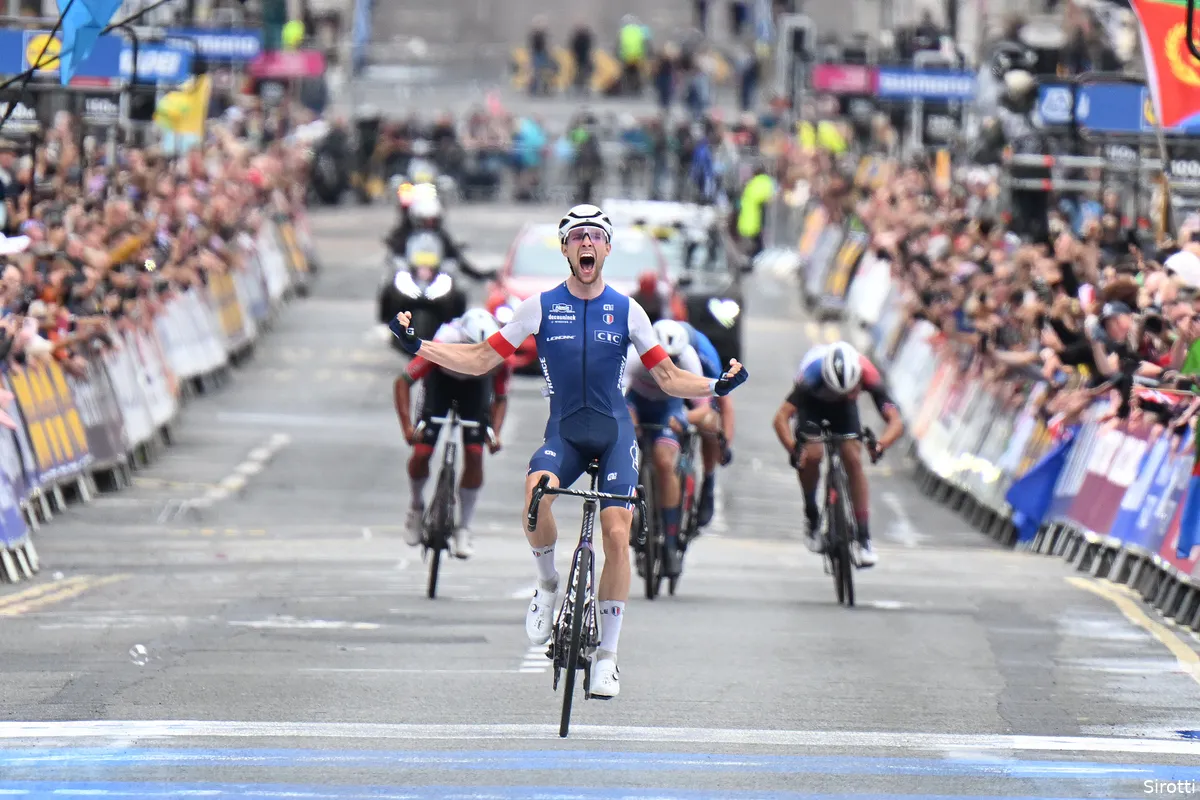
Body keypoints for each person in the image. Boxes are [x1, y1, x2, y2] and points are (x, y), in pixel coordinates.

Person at [389, 203, 749, 699]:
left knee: (618, 534)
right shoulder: (537, 307)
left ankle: (608, 658)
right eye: (576, 236)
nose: (586, 244)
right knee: (536, 492)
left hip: (615, 432)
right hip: (565, 434)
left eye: (595, 237)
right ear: (565, 248)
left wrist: (716, 383)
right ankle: (546, 583)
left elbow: (667, 376)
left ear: (606, 249)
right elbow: (478, 358)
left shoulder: (628, 310)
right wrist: (420, 345)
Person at [770, 341, 903, 567]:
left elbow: (896, 421)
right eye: (834, 390)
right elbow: (780, 419)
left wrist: (880, 445)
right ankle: (811, 515)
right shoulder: (811, 376)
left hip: (845, 410)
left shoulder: (867, 373)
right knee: (812, 455)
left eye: (847, 390)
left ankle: (864, 538)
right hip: (812, 404)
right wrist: (794, 450)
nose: (837, 394)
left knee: (853, 457)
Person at [393, 308, 509, 559]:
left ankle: (464, 526)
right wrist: (407, 428)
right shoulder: (441, 344)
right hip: (441, 383)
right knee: (422, 450)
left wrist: (495, 433)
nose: (477, 359)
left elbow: (500, 397)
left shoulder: (500, 354)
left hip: (476, 391)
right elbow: (403, 381)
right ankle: (415, 506)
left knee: (475, 453)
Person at [622, 319, 706, 577]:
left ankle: (669, 542)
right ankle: (629, 512)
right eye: (660, 358)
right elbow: (617, 393)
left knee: (664, 461)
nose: (666, 364)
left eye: (674, 359)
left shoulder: (690, 358)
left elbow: (703, 407)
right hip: (636, 401)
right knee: (623, 449)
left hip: (669, 408)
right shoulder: (635, 355)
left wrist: (685, 419)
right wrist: (626, 418)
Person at [677, 320, 734, 528]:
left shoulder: (705, 355)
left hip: (699, 396)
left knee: (710, 424)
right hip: (664, 392)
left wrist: (725, 443)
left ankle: (708, 481)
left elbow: (724, 403)